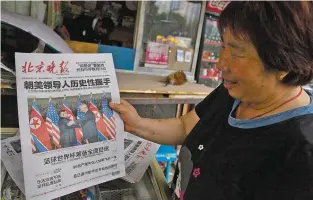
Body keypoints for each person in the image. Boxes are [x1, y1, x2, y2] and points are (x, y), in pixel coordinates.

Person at [110, 2, 313, 200]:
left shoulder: (300, 156)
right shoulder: (234, 92)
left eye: (236, 52)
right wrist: (136, 124)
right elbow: (185, 126)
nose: (220, 63)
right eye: (223, 46)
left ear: (284, 63)